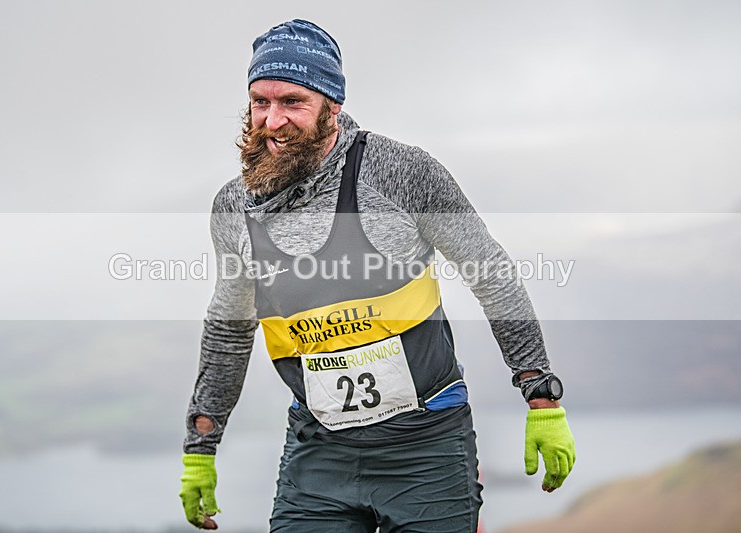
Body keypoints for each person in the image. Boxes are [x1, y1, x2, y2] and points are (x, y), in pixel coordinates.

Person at [179, 19, 576, 532]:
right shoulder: (234, 207)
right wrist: (201, 447)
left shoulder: (401, 173)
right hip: (318, 453)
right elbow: (230, 329)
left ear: (332, 105)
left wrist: (540, 393)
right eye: (260, 102)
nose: (272, 121)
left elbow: (491, 274)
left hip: (427, 449)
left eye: (293, 102)